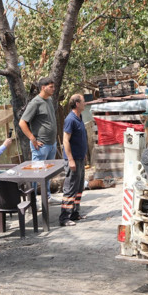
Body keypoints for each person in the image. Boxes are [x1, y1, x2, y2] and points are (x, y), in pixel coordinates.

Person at [19, 77, 58, 198]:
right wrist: (32, 138)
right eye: (51, 87)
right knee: (36, 174)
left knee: (48, 172)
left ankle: (47, 197)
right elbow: (22, 122)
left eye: (53, 86)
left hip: (52, 144)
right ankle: (33, 200)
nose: (53, 89)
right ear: (43, 88)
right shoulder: (35, 103)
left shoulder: (49, 100)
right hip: (41, 145)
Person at [60, 94, 88, 226]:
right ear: (77, 104)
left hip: (80, 158)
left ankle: (75, 213)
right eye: (83, 101)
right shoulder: (70, 119)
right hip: (73, 159)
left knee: (79, 187)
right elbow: (65, 140)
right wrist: (70, 159)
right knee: (70, 188)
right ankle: (64, 218)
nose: (85, 103)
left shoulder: (79, 117)